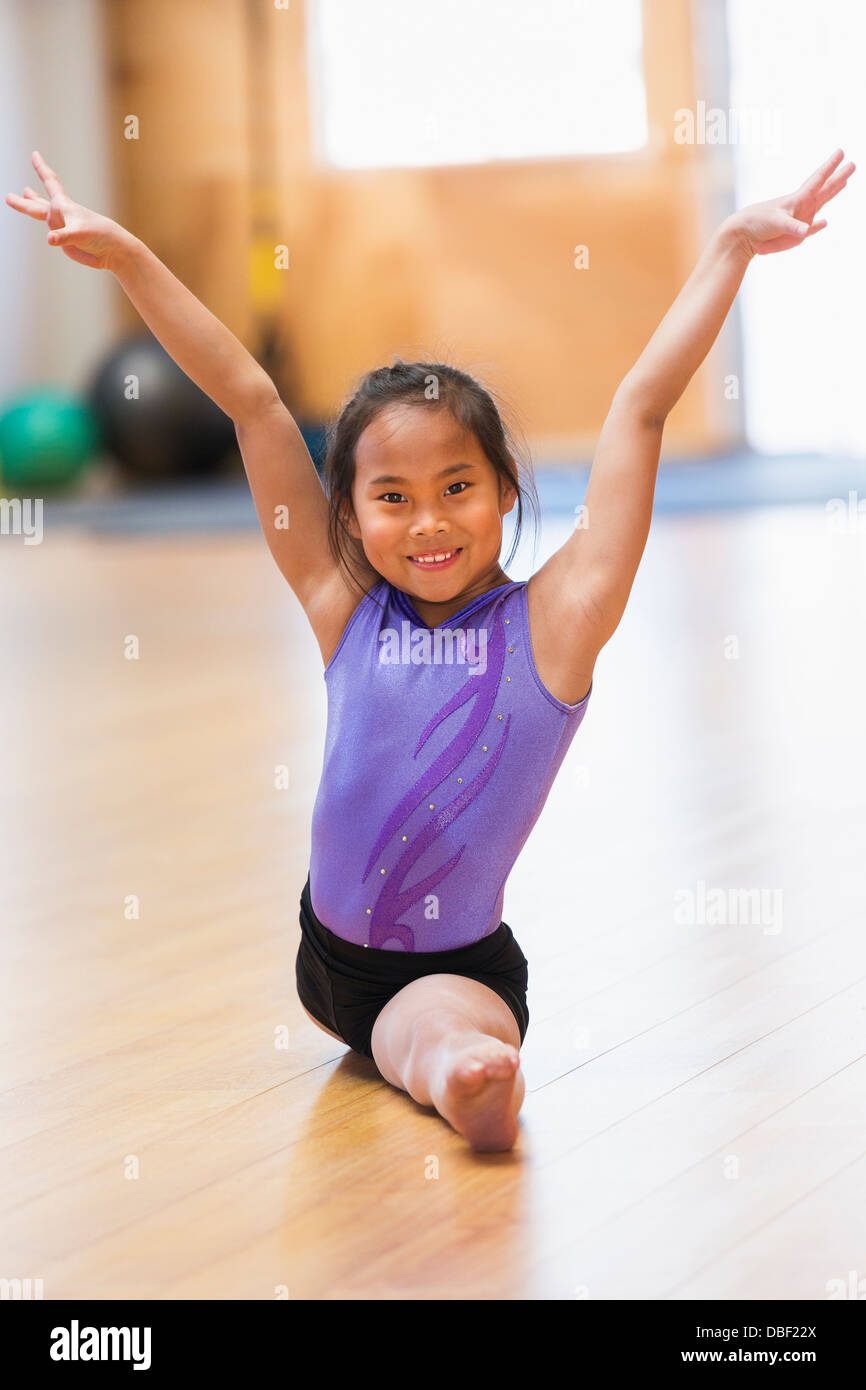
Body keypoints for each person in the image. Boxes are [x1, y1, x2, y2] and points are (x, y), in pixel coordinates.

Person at [8, 146, 853, 1152]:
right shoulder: (341, 604)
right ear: (351, 516)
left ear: (502, 489)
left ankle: (464, 1077)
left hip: (460, 962)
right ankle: (450, 1064)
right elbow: (249, 400)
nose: (426, 523)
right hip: (329, 953)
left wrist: (725, 248)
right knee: (406, 1025)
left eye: (456, 486)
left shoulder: (558, 619)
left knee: (436, 1031)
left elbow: (637, 408)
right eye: (390, 498)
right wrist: (131, 261)